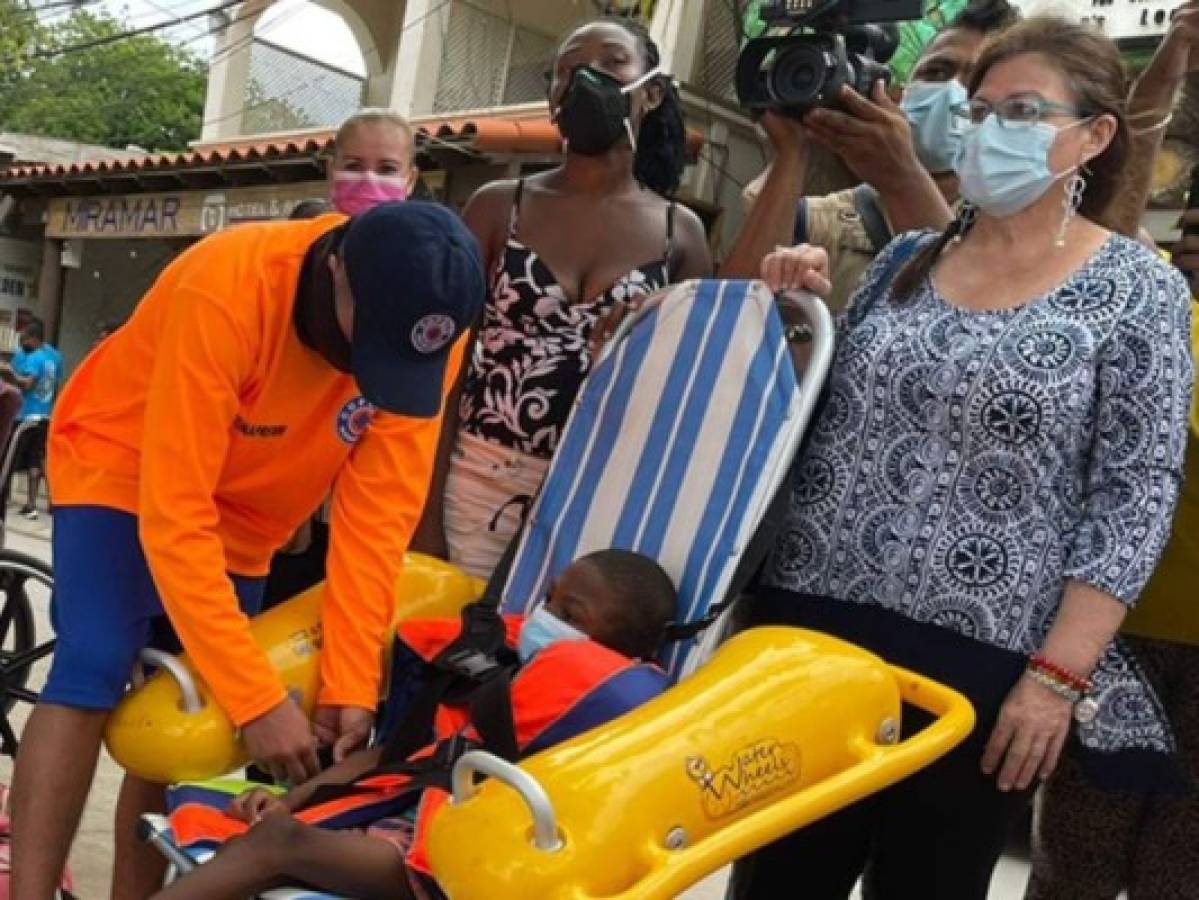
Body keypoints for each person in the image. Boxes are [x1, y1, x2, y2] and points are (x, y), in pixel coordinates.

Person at [734, 18, 1195, 899]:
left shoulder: (1139, 290)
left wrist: (1055, 680)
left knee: (929, 882)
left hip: (983, 669)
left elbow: (1133, 497)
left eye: (1022, 111)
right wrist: (794, 317)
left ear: (1094, 136)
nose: (990, 132)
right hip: (809, 637)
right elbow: (822, 422)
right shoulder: (906, 258)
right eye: (980, 112)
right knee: (779, 877)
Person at [10, 202, 485, 900]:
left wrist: (351, 686)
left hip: (251, 511)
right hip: (126, 460)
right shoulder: (228, 285)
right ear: (337, 271)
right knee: (94, 663)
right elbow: (175, 513)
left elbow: (374, 523)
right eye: (372, 340)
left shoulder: (428, 327)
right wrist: (258, 700)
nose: (372, 370)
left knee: (184, 718)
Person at [149, 549, 676, 900]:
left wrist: (286, 823)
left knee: (277, 845)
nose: (545, 617)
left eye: (571, 613)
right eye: (550, 599)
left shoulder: (613, 713)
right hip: (398, 820)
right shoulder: (505, 667)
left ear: (621, 646)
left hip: (456, 863)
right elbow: (395, 758)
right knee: (270, 836)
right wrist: (288, 800)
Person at [410, 17, 712, 581]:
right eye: (568, 71)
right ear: (551, 97)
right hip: (476, 485)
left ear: (650, 90)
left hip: (596, 497)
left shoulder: (682, 233)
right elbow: (444, 367)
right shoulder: (500, 206)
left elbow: (687, 382)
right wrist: (426, 515)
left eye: (609, 63)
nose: (585, 80)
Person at [1024, 8, 1199, 897]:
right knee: (1074, 869)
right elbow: (1114, 199)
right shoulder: (1151, 300)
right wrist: (1165, 72)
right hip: (1116, 640)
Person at [726, 0, 1019, 312]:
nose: (951, 90)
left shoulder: (1019, 232)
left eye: (975, 83)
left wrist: (902, 178)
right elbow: (728, 319)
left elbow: (978, 321)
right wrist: (791, 150)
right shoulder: (821, 220)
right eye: (936, 72)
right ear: (898, 93)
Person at [263, 112, 420, 610]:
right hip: (275, 487)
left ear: (411, 179)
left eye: (387, 168)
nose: (370, 181)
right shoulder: (289, 262)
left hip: (354, 490)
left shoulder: (417, 270)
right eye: (354, 165)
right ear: (330, 170)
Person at [3, 319, 63, 521]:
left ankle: (6, 496)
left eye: (24, 338)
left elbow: (26, 384)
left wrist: (9, 375)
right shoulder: (54, 356)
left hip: (25, 415)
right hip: (43, 414)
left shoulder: (34, 358)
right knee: (37, 459)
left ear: (32, 337)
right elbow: (55, 385)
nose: (22, 342)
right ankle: (34, 503)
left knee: (10, 456)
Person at [327, 109, 419, 216]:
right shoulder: (308, 232)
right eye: (353, 166)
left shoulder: (429, 232)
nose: (369, 179)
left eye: (387, 169)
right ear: (331, 174)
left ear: (410, 181)